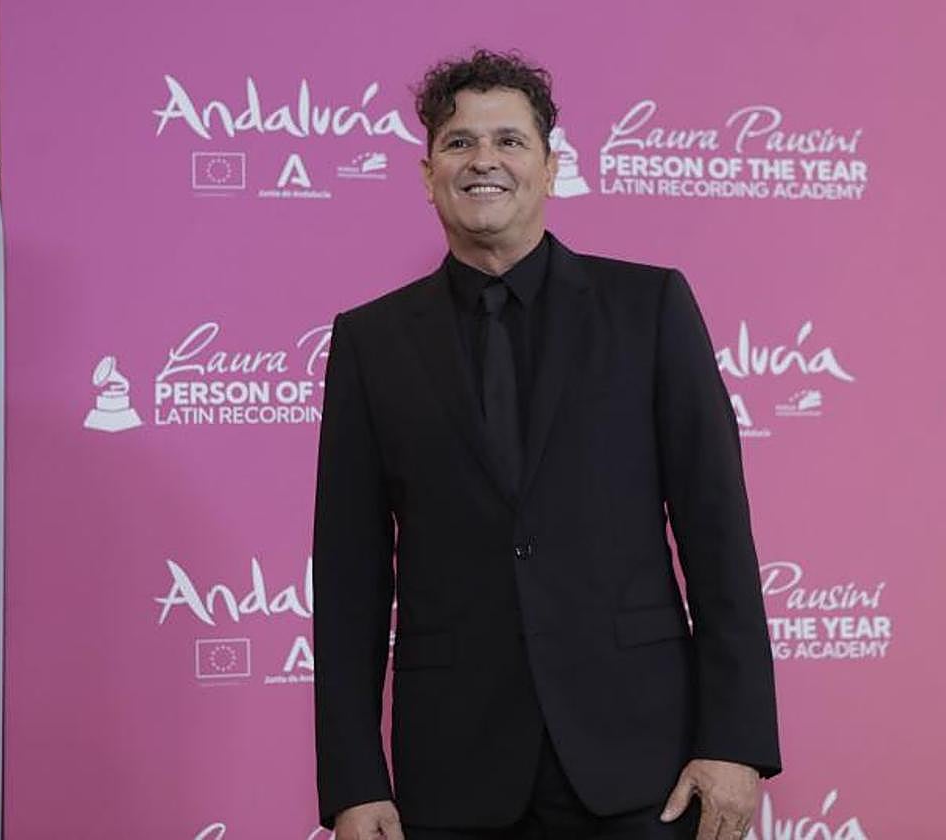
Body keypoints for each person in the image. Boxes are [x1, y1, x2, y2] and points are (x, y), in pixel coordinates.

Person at [312, 49, 780, 840]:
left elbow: (718, 535)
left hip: (640, 763)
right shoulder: (372, 341)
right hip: (454, 771)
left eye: (509, 140)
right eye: (459, 142)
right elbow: (349, 577)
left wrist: (735, 740)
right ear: (427, 174)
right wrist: (354, 780)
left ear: (551, 167)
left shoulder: (649, 308)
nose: (483, 160)